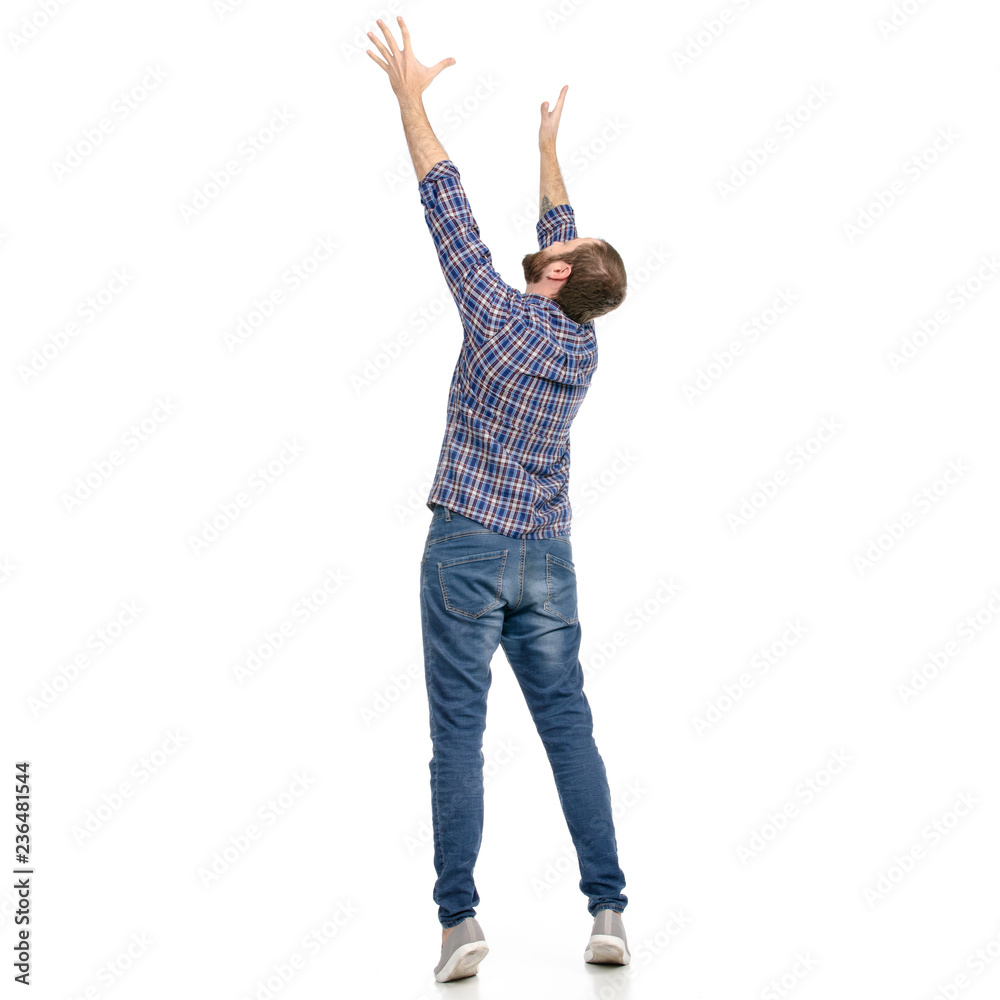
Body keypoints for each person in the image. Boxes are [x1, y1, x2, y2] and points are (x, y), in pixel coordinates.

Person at [367, 15, 629, 983]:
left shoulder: (493, 312)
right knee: (570, 726)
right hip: (547, 558)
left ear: (557, 275)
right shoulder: (579, 340)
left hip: (469, 552)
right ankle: (607, 909)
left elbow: (447, 205)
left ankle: (458, 924)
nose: (557, 237)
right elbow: (562, 242)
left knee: (457, 736)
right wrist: (549, 153)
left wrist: (408, 99)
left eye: (563, 245)